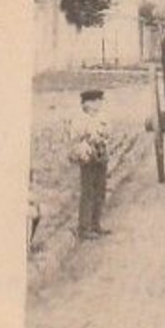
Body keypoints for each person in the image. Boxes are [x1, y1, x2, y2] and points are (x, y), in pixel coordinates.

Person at [69, 88, 112, 240]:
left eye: (100, 101)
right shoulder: (79, 118)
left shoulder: (102, 117)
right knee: (87, 191)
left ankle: (95, 224)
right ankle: (83, 228)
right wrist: (90, 139)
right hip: (87, 156)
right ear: (87, 103)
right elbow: (76, 137)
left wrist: (102, 138)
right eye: (96, 101)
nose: (99, 103)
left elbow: (108, 133)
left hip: (100, 155)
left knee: (100, 190)